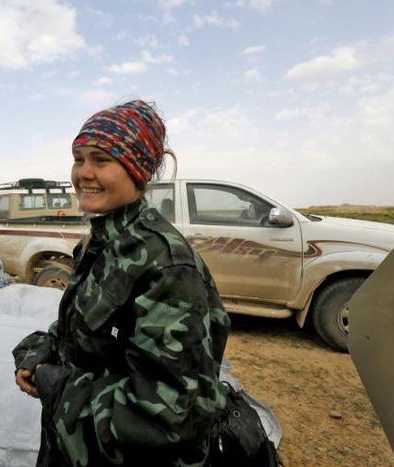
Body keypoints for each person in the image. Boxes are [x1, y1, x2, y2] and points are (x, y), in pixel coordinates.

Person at [13, 100, 231, 466]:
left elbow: (169, 415)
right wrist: (41, 351)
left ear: (138, 169)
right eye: (78, 158)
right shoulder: (100, 243)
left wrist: (55, 384)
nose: (83, 173)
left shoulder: (167, 266)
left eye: (101, 160)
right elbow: (79, 329)